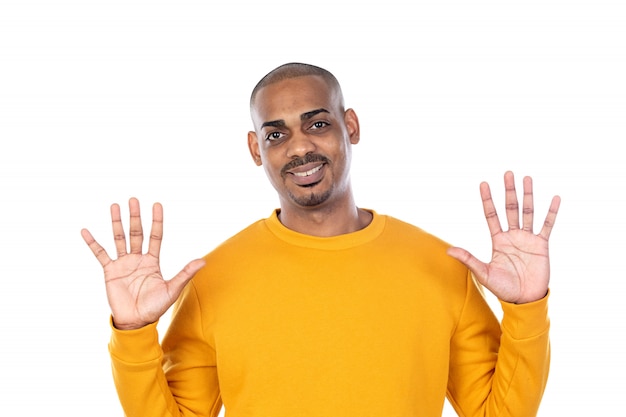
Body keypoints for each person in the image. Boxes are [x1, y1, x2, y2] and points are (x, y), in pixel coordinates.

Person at [81, 63, 561, 417]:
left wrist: (526, 308)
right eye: (275, 135)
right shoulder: (215, 278)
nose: (299, 147)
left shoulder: (438, 265)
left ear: (349, 126)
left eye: (317, 123)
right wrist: (133, 333)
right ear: (256, 149)